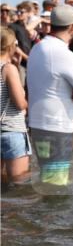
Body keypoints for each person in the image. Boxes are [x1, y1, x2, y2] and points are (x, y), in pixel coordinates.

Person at [26, 5, 73, 187]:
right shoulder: (63, 53)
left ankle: (41, 215)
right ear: (72, 27)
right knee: (56, 185)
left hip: (37, 125)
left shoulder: (38, 47)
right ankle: (50, 215)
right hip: (56, 129)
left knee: (46, 178)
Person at [1, 28, 30, 187]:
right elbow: (19, 103)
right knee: (19, 182)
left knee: (2, 182)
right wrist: (28, 101)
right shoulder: (8, 68)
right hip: (11, 130)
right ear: (10, 46)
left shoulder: (10, 67)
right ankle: (13, 212)